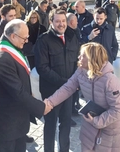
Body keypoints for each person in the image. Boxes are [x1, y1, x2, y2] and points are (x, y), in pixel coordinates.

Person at [46, 42, 120, 152]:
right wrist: (49, 103)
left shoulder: (110, 80)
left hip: (110, 132)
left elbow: (118, 110)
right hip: (89, 127)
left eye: (82, 55)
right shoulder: (81, 71)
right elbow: (67, 88)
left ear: (92, 58)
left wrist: (97, 121)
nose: (78, 57)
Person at [0, 19, 50, 152]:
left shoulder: (10, 46)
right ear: (13, 36)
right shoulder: (2, 56)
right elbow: (17, 91)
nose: (26, 41)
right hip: (6, 122)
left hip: (16, 119)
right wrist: (41, 107)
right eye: (24, 38)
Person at [35, 9, 80, 152]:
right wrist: (66, 83)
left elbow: (78, 61)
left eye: (63, 21)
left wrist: (75, 81)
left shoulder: (73, 37)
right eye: (58, 21)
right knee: (50, 125)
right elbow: (42, 68)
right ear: (51, 22)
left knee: (66, 124)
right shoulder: (43, 40)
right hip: (51, 91)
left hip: (68, 91)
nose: (61, 24)